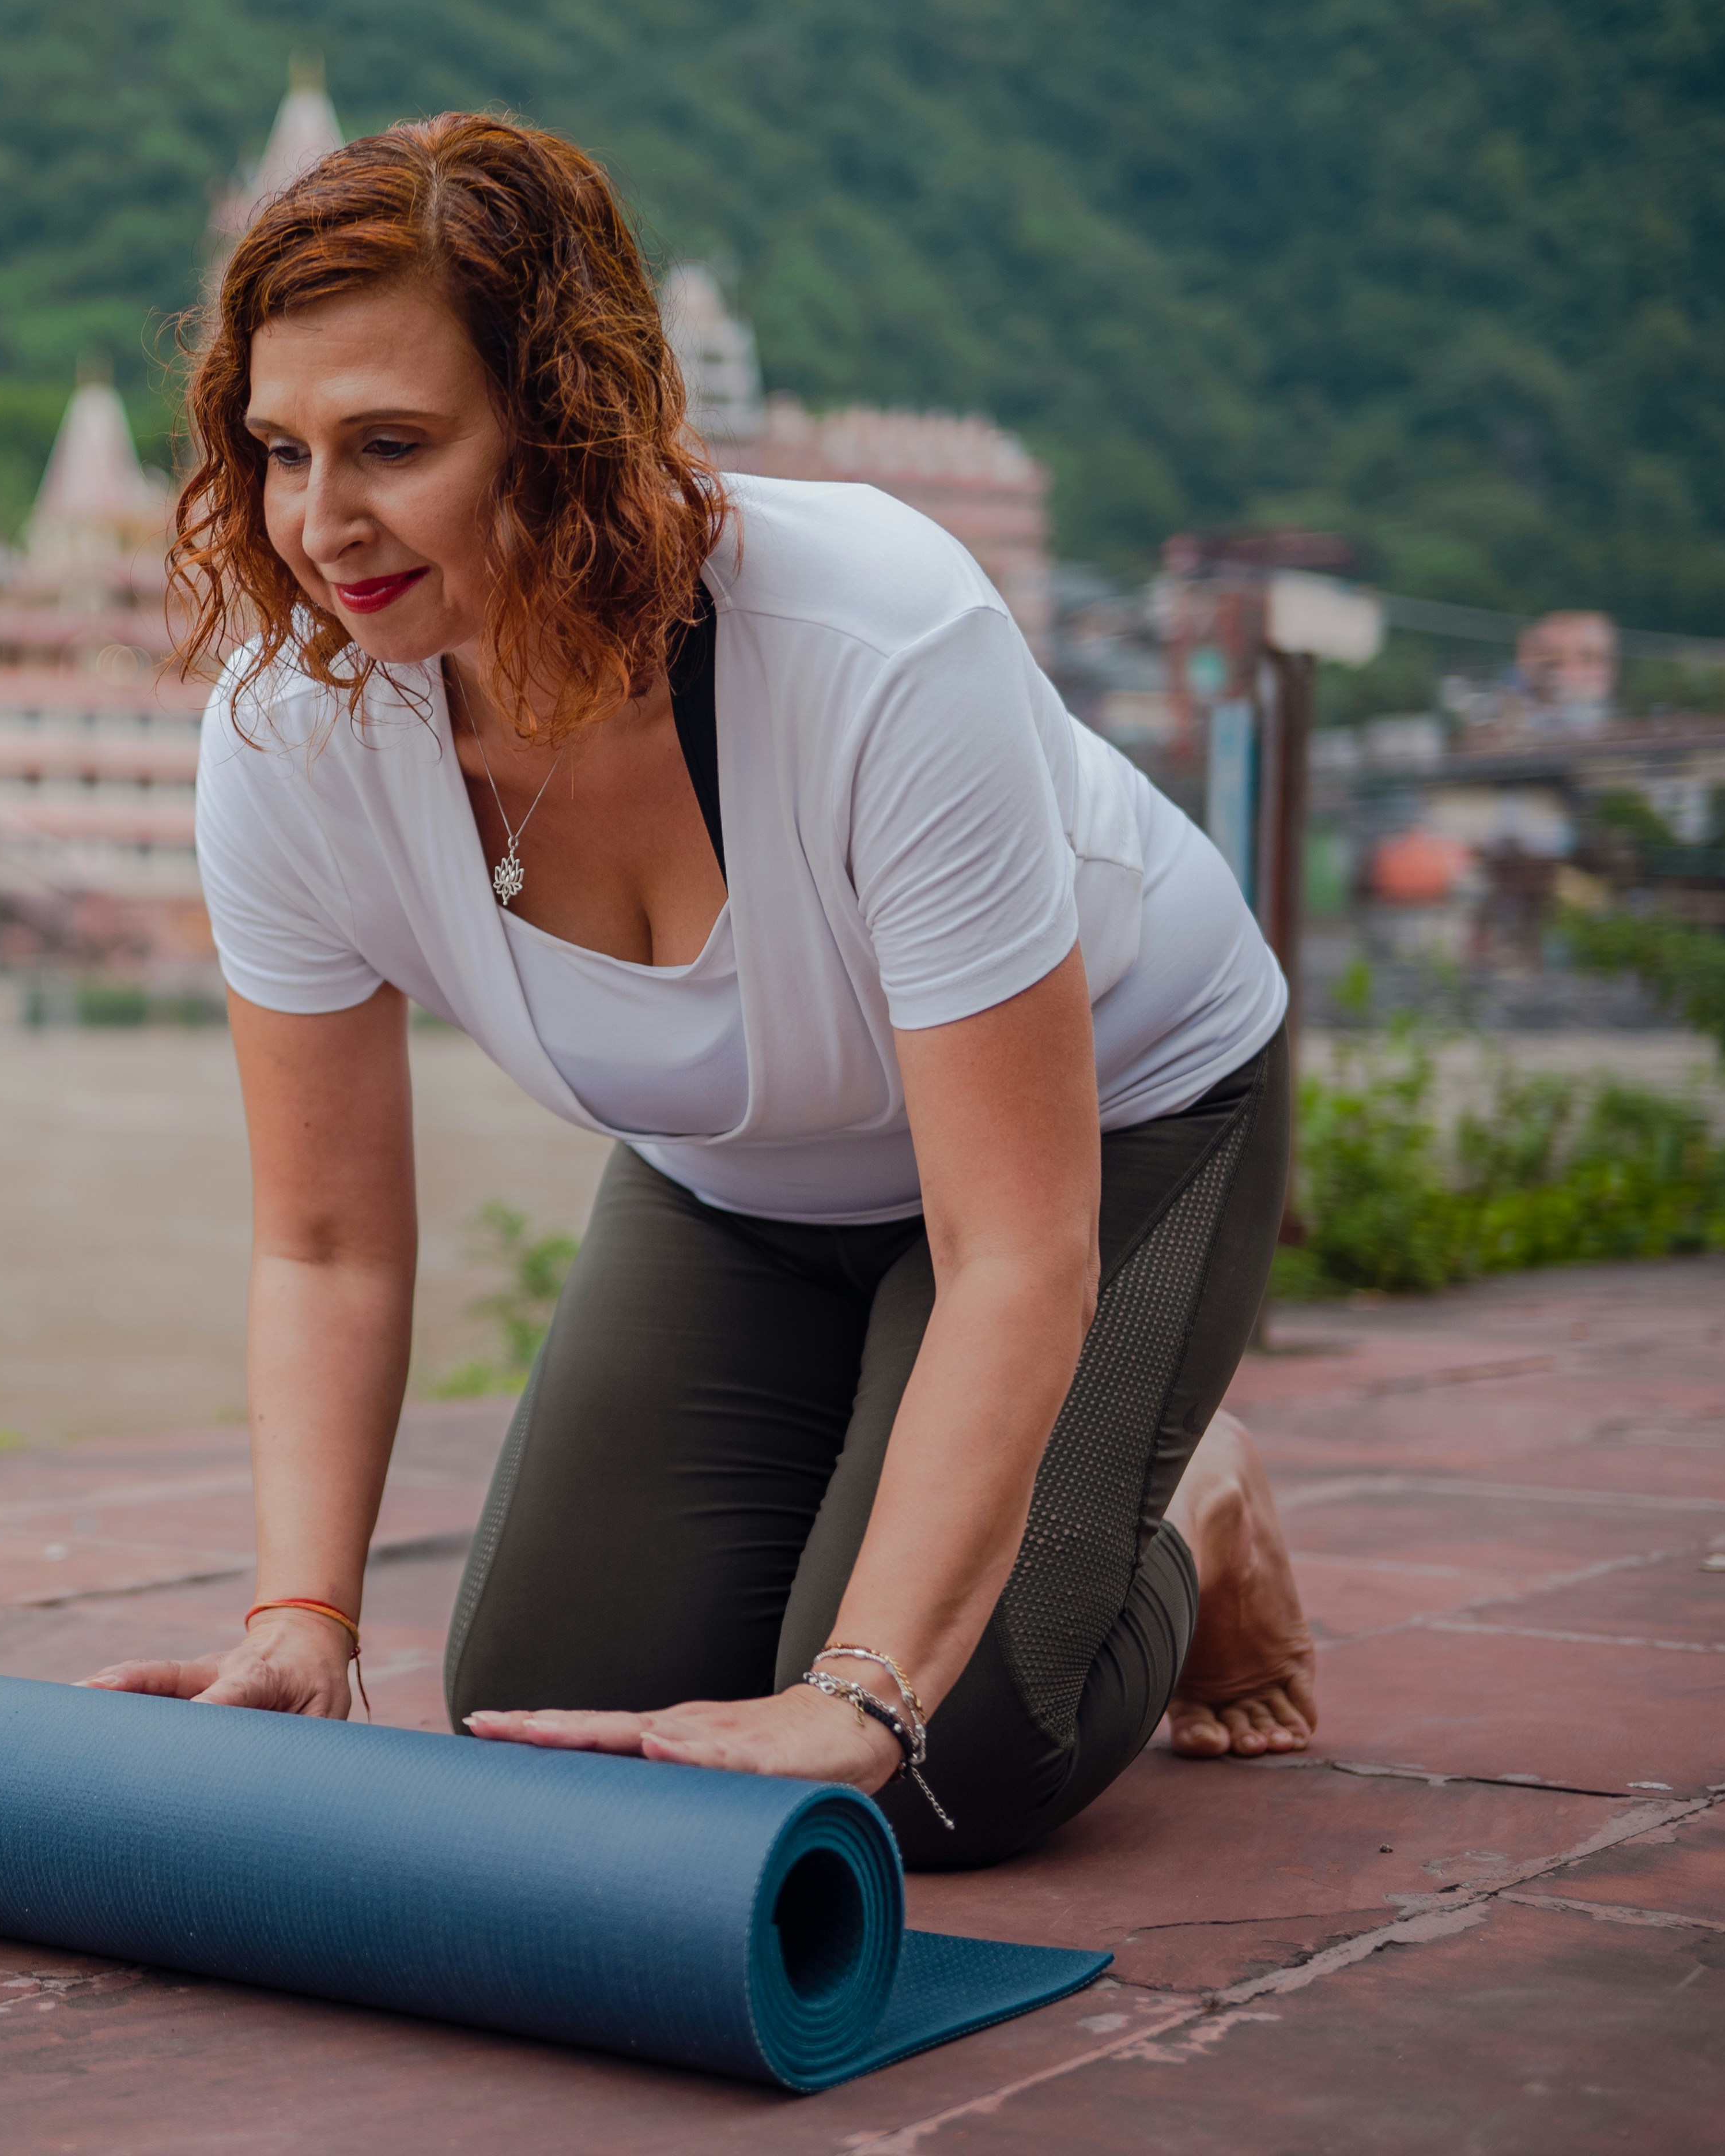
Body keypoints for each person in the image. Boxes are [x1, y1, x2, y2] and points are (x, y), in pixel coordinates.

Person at [85, 112, 1318, 1867]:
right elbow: (328, 1242)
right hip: (747, 1176)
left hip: (1114, 1131)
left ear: (563, 420)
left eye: (393, 445)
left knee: (928, 1761)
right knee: (550, 1710)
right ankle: (947, 1505)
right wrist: (307, 1619)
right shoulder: (294, 734)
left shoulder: (878, 641)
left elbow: (1015, 1250)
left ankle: (1189, 1501)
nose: (318, 523)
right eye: (278, 450)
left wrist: (871, 1685)